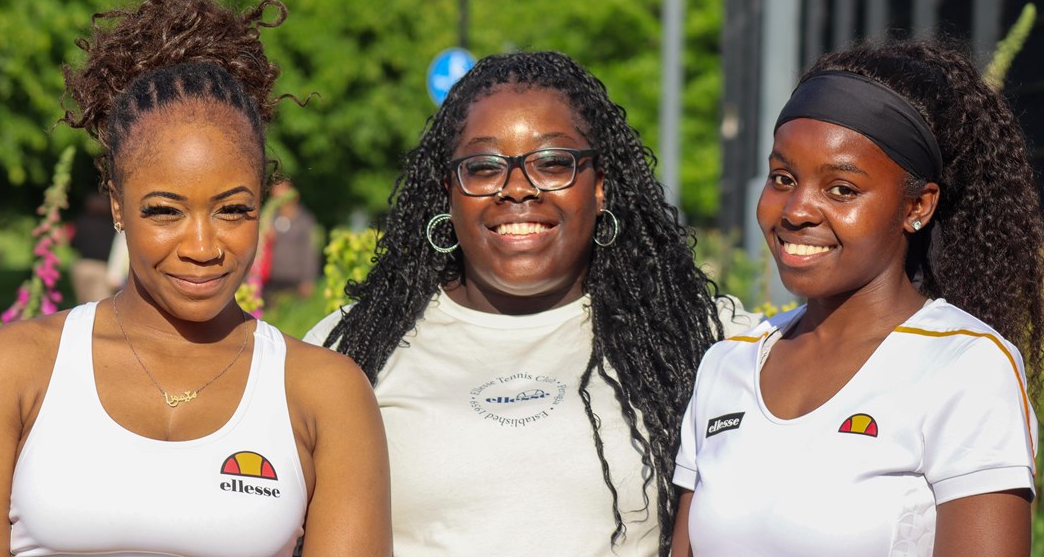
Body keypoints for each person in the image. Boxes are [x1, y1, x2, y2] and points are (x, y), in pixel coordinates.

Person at [0, 0, 391, 556]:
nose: (202, 245)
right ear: (116, 204)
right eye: (164, 211)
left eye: (232, 209)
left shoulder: (325, 394)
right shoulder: (12, 369)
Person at [306, 50, 751, 556]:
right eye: (483, 167)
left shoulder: (702, 338)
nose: (517, 188)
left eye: (553, 163)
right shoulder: (346, 355)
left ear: (600, 186)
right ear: (448, 192)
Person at [672, 39, 1043, 556]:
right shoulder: (726, 365)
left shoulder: (965, 366)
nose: (797, 209)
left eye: (842, 189)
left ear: (917, 205)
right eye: (783, 178)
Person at [262, 180, 322, 301]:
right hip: (271, 281)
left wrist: (308, 280)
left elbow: (310, 251)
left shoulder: (305, 220)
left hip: (296, 282)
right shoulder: (268, 218)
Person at [68, 190, 118, 302]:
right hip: (102, 268)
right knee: (101, 306)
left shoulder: (80, 221)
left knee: (82, 305)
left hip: (82, 266)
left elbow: (73, 243)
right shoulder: (113, 226)